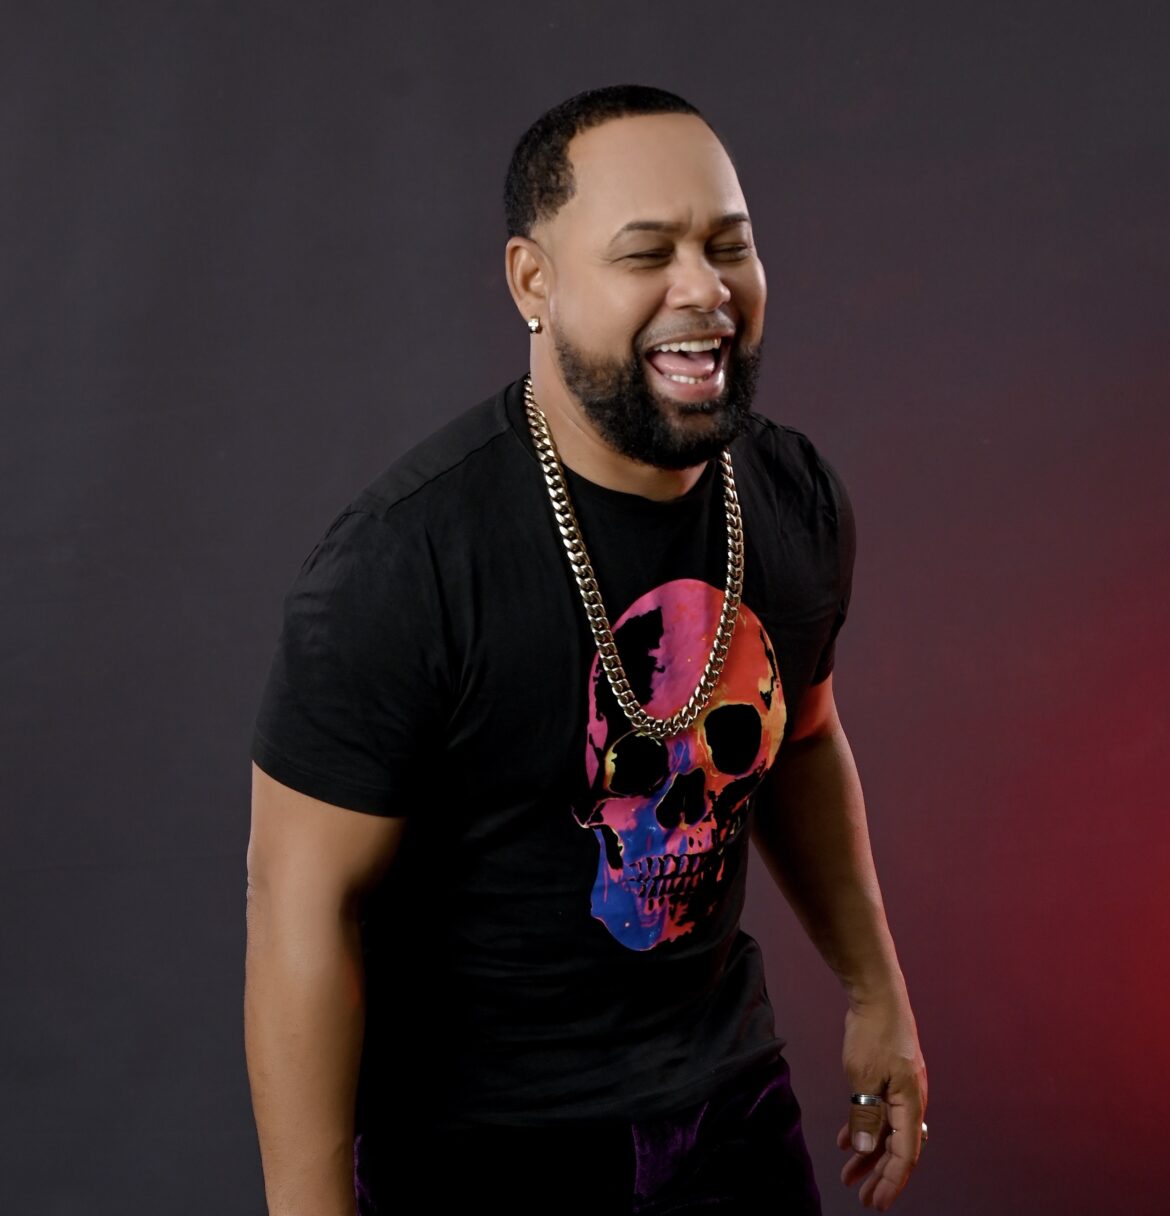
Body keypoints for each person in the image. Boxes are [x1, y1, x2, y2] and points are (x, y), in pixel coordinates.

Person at [245, 85, 927, 1216]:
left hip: (727, 1111)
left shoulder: (793, 498)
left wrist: (875, 992)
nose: (704, 290)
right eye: (647, 253)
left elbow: (802, 741)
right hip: (479, 1152)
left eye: (728, 246)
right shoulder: (401, 566)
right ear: (534, 282)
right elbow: (300, 913)